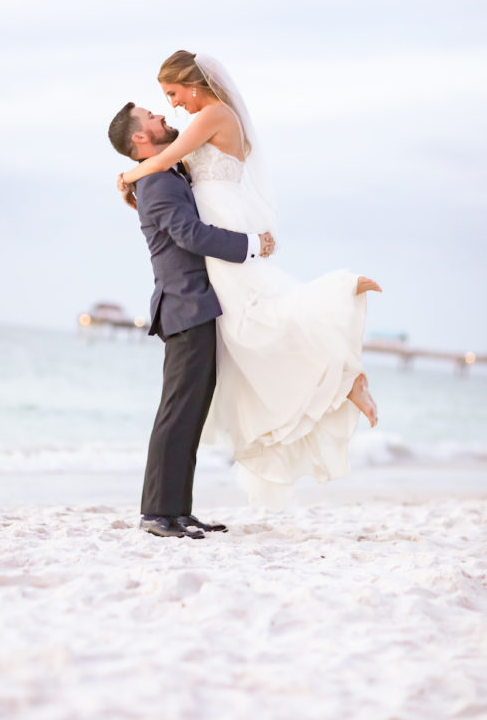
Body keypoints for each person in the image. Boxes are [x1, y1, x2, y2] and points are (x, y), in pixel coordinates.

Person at [116, 51, 381, 508]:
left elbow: (169, 166)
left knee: (256, 315)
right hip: (214, 243)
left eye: (173, 95)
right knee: (251, 321)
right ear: (142, 135)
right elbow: (176, 187)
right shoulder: (177, 161)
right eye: (160, 105)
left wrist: (127, 176)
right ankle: (167, 512)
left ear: (192, 84)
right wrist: (139, 180)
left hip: (221, 227)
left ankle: (339, 326)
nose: (171, 108)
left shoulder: (207, 121)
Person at [108, 103, 276, 537]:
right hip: (185, 305)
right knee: (177, 412)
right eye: (152, 117)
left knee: (191, 413)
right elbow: (190, 235)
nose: (163, 117)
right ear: (139, 139)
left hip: (197, 304)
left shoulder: (165, 173)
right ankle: (155, 514)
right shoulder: (159, 181)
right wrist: (252, 245)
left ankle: (177, 510)